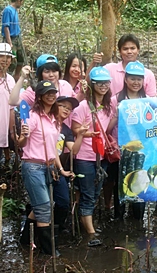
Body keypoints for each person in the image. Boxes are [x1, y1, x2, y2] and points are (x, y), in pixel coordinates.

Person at [18, 80, 74, 256]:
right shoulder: (33, 117)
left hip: (49, 166)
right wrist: (24, 135)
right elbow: (21, 143)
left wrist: (59, 169)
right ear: (40, 96)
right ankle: (50, 252)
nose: (51, 96)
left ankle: (25, 239)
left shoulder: (54, 120)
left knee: (43, 205)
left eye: (53, 93)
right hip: (33, 165)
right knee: (44, 207)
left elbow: (53, 149)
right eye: (47, 93)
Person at [71, 67, 117, 246]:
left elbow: (107, 127)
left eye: (106, 83)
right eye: (99, 83)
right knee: (89, 193)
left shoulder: (107, 106)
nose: (103, 86)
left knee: (97, 190)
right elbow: (75, 129)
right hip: (84, 156)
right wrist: (85, 132)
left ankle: (84, 219)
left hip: (101, 155)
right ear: (92, 85)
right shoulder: (83, 106)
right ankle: (90, 233)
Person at [105, 61, 148, 219]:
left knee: (139, 182)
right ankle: (118, 218)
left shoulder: (148, 100)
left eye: (139, 79)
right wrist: (117, 115)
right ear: (125, 79)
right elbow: (106, 129)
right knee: (120, 183)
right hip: (120, 150)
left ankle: (138, 220)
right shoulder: (115, 100)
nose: (136, 82)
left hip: (141, 151)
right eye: (132, 79)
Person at [53, 96, 87, 232]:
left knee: (63, 201)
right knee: (43, 202)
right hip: (43, 166)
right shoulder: (46, 122)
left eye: (69, 109)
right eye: (63, 106)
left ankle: (56, 226)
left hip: (58, 168)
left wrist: (80, 135)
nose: (67, 110)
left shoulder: (66, 129)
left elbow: (74, 150)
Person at [91, 34, 156, 97]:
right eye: (125, 49)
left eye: (132, 48)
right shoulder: (109, 69)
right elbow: (89, 82)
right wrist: (93, 63)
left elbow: (151, 100)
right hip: (111, 107)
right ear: (120, 51)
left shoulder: (148, 74)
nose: (129, 51)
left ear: (138, 50)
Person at [9, 54, 81, 107]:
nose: (51, 75)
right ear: (40, 74)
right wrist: (22, 77)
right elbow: (13, 101)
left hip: (66, 127)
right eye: (47, 72)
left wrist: (83, 92)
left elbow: (76, 101)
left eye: (54, 71)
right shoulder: (34, 90)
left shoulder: (65, 85)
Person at [1, 0, 25, 80]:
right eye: (21, 2)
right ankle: (6, 78)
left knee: (21, 59)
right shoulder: (8, 10)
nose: (21, 4)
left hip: (17, 38)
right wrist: (9, 43)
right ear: (18, 1)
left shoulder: (15, 10)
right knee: (11, 61)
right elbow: (6, 27)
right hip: (10, 38)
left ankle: (16, 77)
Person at [0, 43, 16, 168]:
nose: (5, 60)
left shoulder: (10, 80)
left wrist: (12, 131)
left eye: (8, 57)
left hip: (3, 129)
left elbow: (11, 108)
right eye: (1, 56)